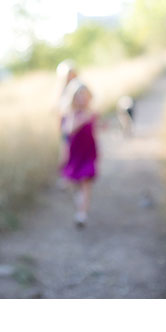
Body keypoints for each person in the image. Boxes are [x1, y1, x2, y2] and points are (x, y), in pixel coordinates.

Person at [60, 80, 97, 227]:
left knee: (86, 182)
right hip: (75, 155)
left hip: (88, 153)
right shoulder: (70, 114)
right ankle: (79, 202)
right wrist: (82, 120)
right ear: (73, 98)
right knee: (76, 184)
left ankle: (82, 215)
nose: (82, 99)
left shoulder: (92, 113)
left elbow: (95, 131)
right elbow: (68, 131)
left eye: (85, 96)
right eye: (79, 96)